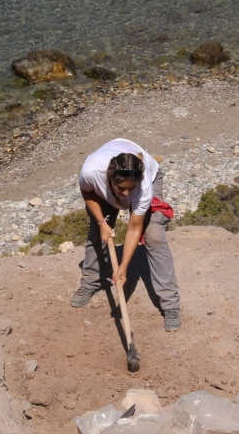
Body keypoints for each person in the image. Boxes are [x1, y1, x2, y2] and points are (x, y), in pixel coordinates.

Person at [73, 138, 181, 331]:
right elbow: (87, 192)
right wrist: (101, 222)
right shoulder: (92, 172)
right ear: (110, 177)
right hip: (103, 190)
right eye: (121, 188)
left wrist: (122, 268)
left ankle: (170, 304)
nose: (125, 193)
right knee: (97, 233)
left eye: (130, 188)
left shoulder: (144, 186)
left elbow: (134, 228)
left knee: (154, 235)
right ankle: (90, 282)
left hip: (149, 179)